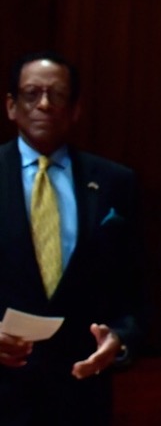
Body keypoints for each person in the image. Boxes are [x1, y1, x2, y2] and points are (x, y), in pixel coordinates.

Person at [0, 51, 144, 425]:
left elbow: (134, 288)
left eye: (58, 95)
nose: (44, 104)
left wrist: (120, 339)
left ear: (75, 109)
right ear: (11, 106)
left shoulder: (115, 182)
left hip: (81, 392)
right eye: (32, 94)